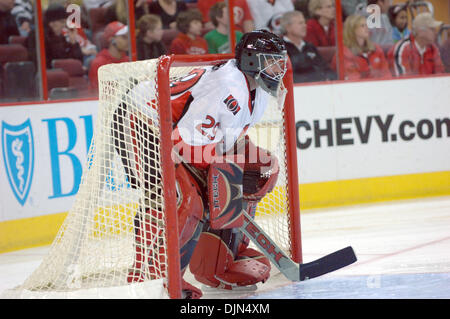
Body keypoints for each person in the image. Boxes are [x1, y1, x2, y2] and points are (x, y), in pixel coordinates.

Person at [120, 29, 288, 298]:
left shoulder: (257, 90)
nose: (278, 68)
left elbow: (224, 141)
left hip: (176, 128)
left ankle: (217, 264)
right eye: (271, 61)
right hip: (143, 120)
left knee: (250, 173)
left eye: (280, 61)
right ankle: (153, 278)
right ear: (251, 61)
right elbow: (184, 142)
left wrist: (241, 168)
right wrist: (221, 175)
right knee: (180, 198)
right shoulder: (227, 88)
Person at [281, 10, 336, 83]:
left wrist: (329, 78)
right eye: (300, 23)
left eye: (304, 22)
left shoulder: (310, 47)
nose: (304, 25)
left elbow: (326, 69)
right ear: (288, 27)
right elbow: (285, 75)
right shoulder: (280, 48)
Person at [331, 14, 391, 80]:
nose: (367, 28)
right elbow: (354, 78)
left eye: (367, 25)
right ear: (352, 29)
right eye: (362, 26)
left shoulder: (376, 49)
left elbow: (386, 73)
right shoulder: (344, 53)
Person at [388, 12, 445, 77]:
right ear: (421, 31)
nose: (436, 32)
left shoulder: (433, 48)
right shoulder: (402, 48)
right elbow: (403, 81)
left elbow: (440, 75)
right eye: (432, 29)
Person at [26, 4, 83, 68]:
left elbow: (77, 62)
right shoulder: (37, 35)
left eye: (65, 22)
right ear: (51, 22)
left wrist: (73, 43)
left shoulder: (59, 36)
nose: (64, 25)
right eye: (62, 22)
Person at [88, 21, 129, 90]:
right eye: (124, 37)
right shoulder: (99, 63)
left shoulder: (128, 61)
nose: (128, 40)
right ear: (111, 39)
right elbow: (96, 92)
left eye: (128, 37)